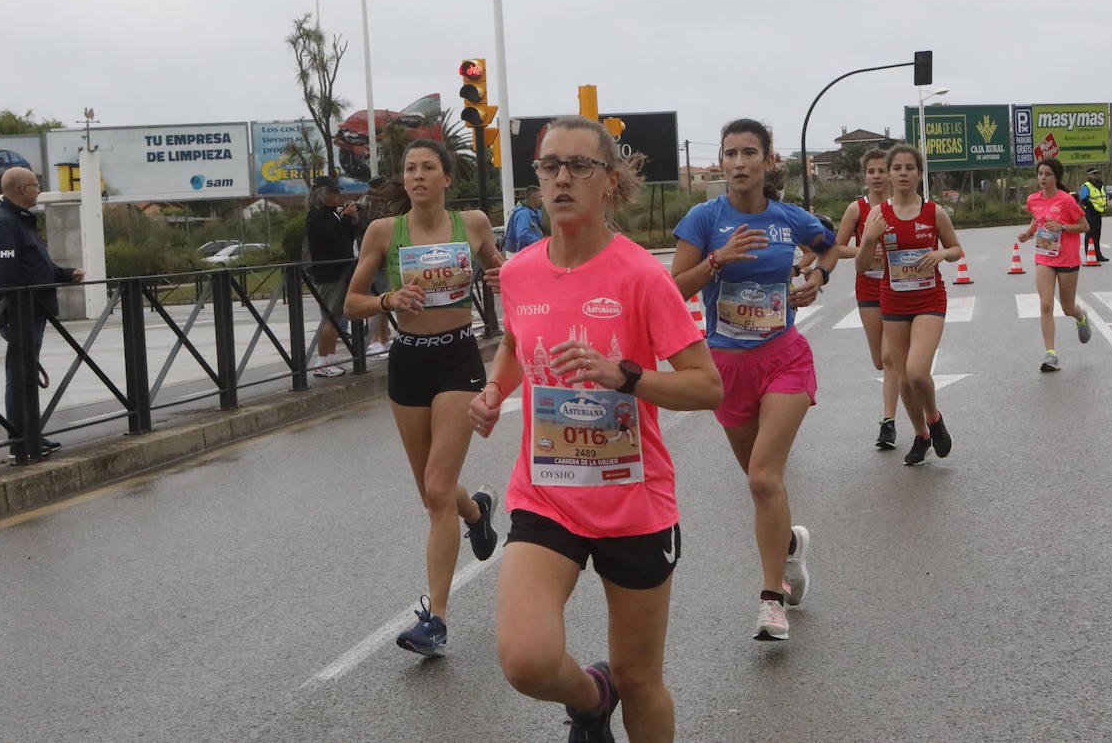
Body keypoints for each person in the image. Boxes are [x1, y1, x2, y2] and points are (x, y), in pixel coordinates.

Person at [468, 116, 721, 741]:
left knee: (640, 680)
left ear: (609, 181)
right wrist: (496, 389)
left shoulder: (641, 276)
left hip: (633, 502)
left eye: (579, 166)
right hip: (546, 493)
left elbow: (706, 384)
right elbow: (517, 343)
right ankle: (589, 697)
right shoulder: (520, 273)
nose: (562, 178)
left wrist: (625, 376)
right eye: (549, 166)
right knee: (525, 660)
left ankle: (614, 690)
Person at [671, 117, 839, 643]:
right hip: (727, 367)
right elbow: (673, 290)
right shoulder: (703, 218)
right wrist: (716, 261)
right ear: (721, 163)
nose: (739, 163)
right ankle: (788, 546)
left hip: (784, 357)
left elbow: (829, 246)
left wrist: (816, 277)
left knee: (764, 477)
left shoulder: (790, 219)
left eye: (749, 153)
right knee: (760, 485)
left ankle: (772, 601)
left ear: (768, 161)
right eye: (730, 154)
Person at [343, 138, 505, 658]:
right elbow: (351, 303)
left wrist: (506, 277)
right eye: (410, 169)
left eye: (427, 168)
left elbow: (505, 273)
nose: (416, 176)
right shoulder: (384, 231)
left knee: (438, 489)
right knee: (433, 492)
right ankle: (477, 514)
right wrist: (388, 299)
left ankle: (435, 619)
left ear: (446, 177)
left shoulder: (473, 224)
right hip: (409, 361)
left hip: (458, 356)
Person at [855, 144, 961, 467]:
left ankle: (934, 417)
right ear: (889, 175)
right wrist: (870, 238)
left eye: (909, 168)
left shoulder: (933, 212)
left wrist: (941, 254)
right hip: (893, 300)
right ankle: (921, 435)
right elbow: (861, 266)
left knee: (917, 372)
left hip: (929, 298)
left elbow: (956, 249)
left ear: (919, 173)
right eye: (896, 168)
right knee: (901, 377)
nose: (902, 173)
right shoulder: (877, 215)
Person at [0, 167, 83, 459]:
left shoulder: (21, 220)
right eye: (35, 185)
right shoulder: (6, 224)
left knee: (26, 375)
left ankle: (31, 434)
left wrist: (64, 274)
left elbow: (35, 264)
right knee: (19, 376)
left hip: (33, 309)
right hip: (21, 312)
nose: (39, 189)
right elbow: (8, 275)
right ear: (19, 190)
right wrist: (24, 301)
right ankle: (21, 440)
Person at [836, 147, 900, 449]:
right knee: (880, 360)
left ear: (891, 174)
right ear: (865, 175)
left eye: (881, 171)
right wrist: (864, 251)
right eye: (871, 171)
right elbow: (837, 248)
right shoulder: (856, 209)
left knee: (891, 358)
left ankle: (888, 423)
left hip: (899, 288)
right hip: (868, 288)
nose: (876, 176)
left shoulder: (900, 207)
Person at [1018, 158, 1092, 372]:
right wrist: (1029, 233)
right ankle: (1051, 354)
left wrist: (1062, 227)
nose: (1042, 178)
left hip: (1067, 257)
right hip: (1045, 257)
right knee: (1046, 305)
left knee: (1067, 307)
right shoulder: (1033, 199)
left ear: (1056, 177)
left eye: (1047, 174)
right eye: (1040, 173)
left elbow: (1084, 225)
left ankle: (1081, 316)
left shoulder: (1066, 200)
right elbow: (1038, 218)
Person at [305, 176, 359, 376]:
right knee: (331, 317)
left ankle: (330, 359)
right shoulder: (317, 216)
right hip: (329, 274)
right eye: (334, 192)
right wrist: (345, 218)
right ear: (324, 194)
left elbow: (345, 238)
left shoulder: (331, 214)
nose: (339, 196)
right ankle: (322, 362)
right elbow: (332, 239)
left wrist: (351, 220)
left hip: (340, 272)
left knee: (337, 316)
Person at [358, 175, 407, 354]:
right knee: (377, 301)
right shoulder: (372, 205)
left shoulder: (367, 203)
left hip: (384, 258)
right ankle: (376, 340)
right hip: (378, 259)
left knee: (384, 300)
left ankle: (383, 339)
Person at [1077, 167, 1110, 263]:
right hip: (1090, 213)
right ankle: (1089, 255)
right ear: (1089, 175)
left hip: (1098, 213)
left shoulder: (1100, 185)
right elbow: (1083, 199)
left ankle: (1098, 254)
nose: (1095, 175)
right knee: (1090, 234)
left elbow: (1102, 197)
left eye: (1096, 174)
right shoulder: (1086, 186)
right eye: (1093, 174)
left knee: (1097, 234)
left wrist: (1104, 205)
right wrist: (1091, 207)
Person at [503, 184, 545, 254]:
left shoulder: (536, 212)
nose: (542, 200)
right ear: (533, 198)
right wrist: (540, 242)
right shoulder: (524, 213)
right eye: (540, 197)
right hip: (528, 253)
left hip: (533, 251)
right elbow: (522, 234)